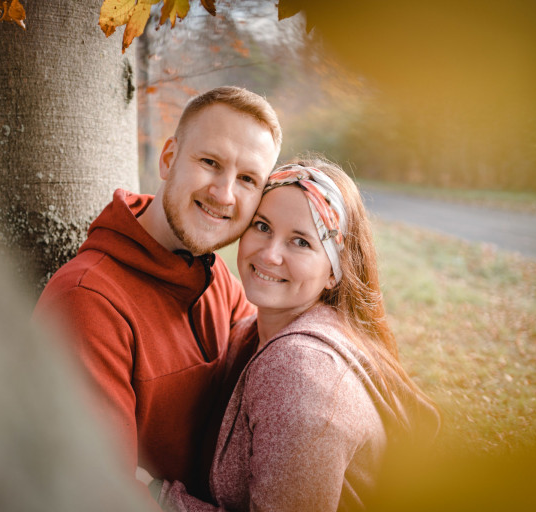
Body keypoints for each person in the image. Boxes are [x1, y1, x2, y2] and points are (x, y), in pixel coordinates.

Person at [33, 86, 282, 505]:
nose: (223, 194)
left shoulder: (215, 276)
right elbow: (99, 496)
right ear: (168, 159)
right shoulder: (86, 302)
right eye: (210, 162)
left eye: (247, 179)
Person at [151, 158, 441, 511]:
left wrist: (154, 498)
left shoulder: (298, 370)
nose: (269, 254)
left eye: (301, 242)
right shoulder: (261, 331)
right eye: (262, 226)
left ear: (334, 272)